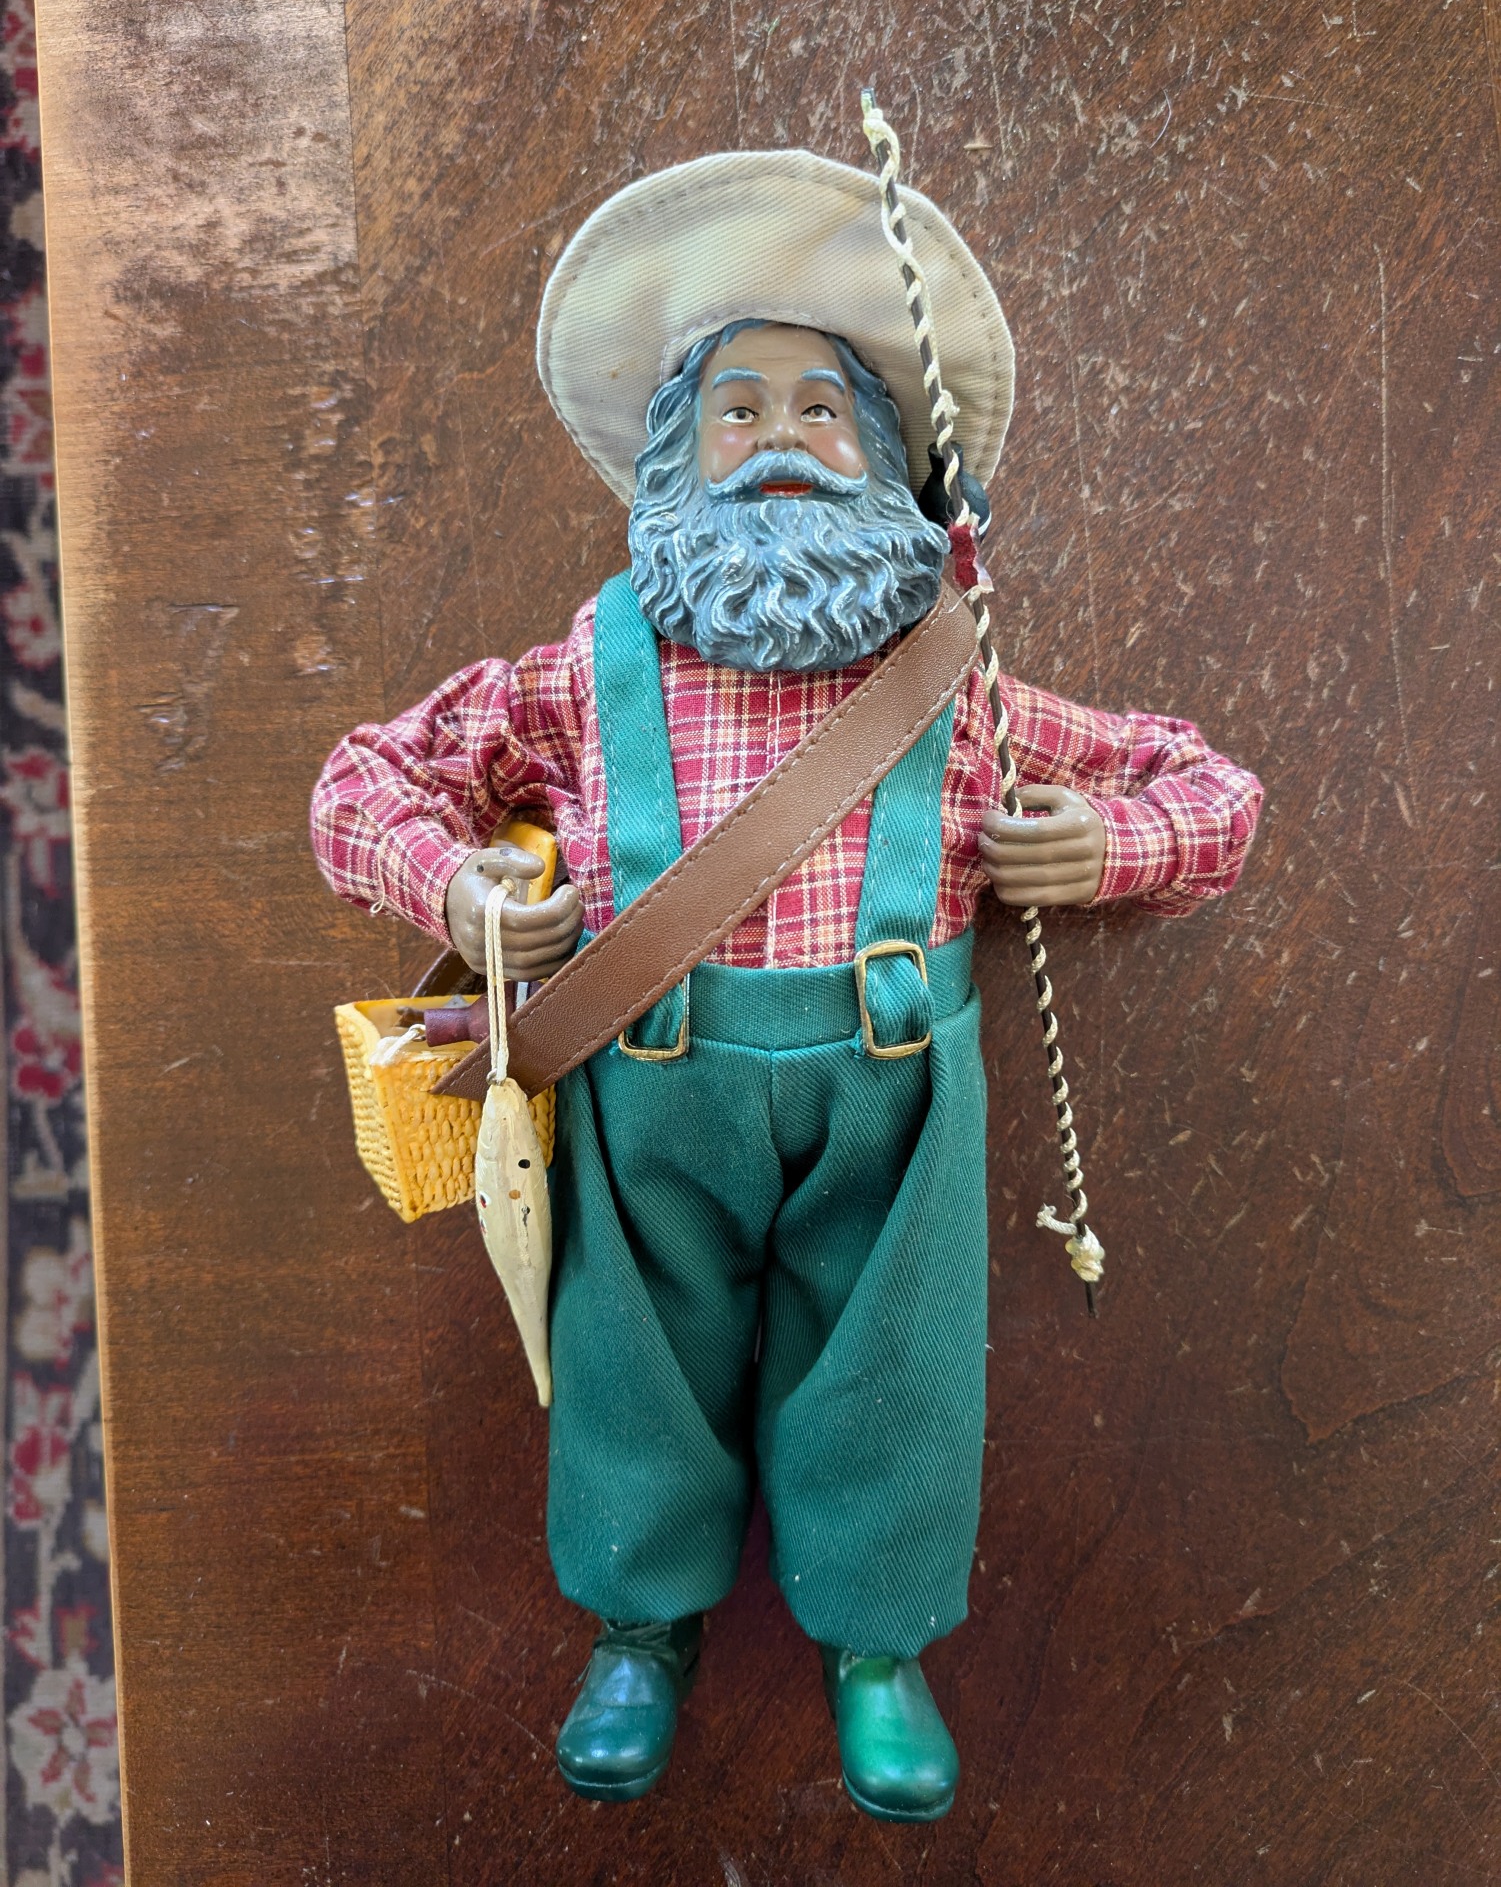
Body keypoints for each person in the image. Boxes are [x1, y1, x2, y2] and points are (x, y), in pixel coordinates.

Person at [310, 151, 1262, 1823]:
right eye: (734, 411)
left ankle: (876, 1644)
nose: (775, 441)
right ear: (672, 459)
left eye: (824, 413)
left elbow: (1211, 790)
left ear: (893, 471)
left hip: (891, 1091)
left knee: (895, 1370)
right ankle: (639, 1627)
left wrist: (1100, 845)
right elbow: (363, 783)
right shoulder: (579, 673)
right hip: (647, 1084)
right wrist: (457, 886)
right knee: (633, 1359)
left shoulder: (957, 689)